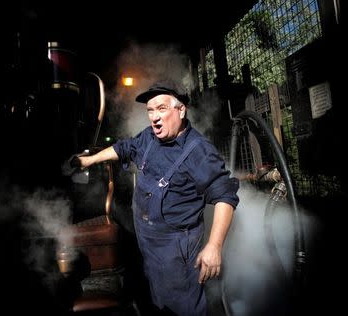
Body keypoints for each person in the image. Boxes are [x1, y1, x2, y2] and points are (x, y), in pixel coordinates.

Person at [63, 79, 239, 315]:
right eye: (150, 110)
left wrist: (214, 246)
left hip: (177, 249)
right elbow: (124, 148)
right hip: (148, 241)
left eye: (162, 109)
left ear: (181, 109)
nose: (154, 117)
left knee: (182, 308)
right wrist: (88, 160)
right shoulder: (149, 137)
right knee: (155, 302)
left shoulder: (199, 151)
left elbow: (224, 196)